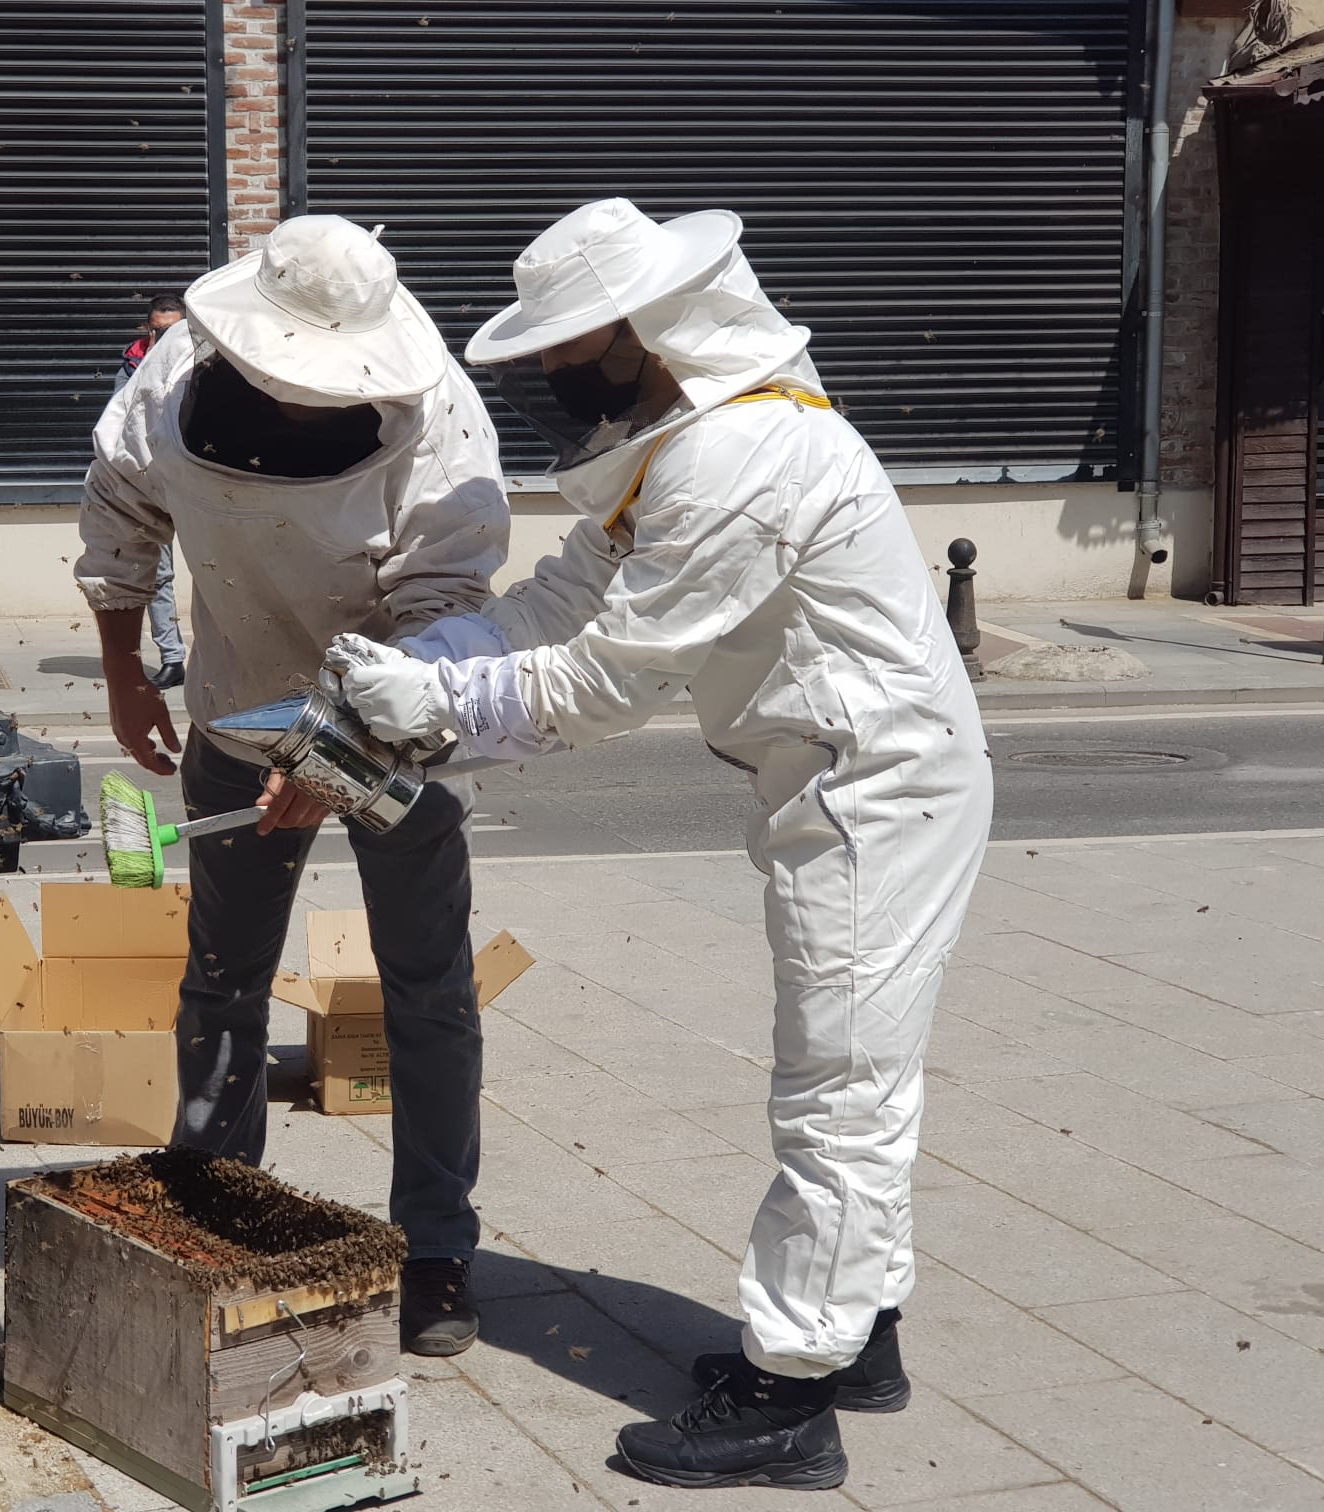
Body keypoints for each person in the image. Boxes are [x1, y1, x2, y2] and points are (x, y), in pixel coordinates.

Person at [326, 199, 993, 1489]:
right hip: (847, 776)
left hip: (874, 791)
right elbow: (565, 601)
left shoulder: (741, 456)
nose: (560, 375)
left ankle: (792, 1397)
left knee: (839, 1088)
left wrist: (438, 711)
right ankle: (859, 1338)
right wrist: (422, 660)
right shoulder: (682, 445)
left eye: (575, 348)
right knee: (862, 1073)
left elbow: (606, 684)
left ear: (643, 330)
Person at [75, 216, 510, 1356]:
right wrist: (127, 674)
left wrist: (343, 753)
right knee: (221, 976)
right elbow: (121, 510)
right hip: (232, 703)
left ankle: (437, 1249)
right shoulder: (173, 375)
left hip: (393, 725)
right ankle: (218, 1204)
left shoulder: (439, 412)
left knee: (427, 988)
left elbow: (446, 604)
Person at [112, 293, 188, 689]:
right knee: (158, 576)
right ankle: (173, 658)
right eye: (158, 331)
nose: (165, 338)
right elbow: (120, 418)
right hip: (149, 484)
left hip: (194, 483)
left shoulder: (200, 362)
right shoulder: (131, 365)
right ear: (148, 329)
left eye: (174, 330)